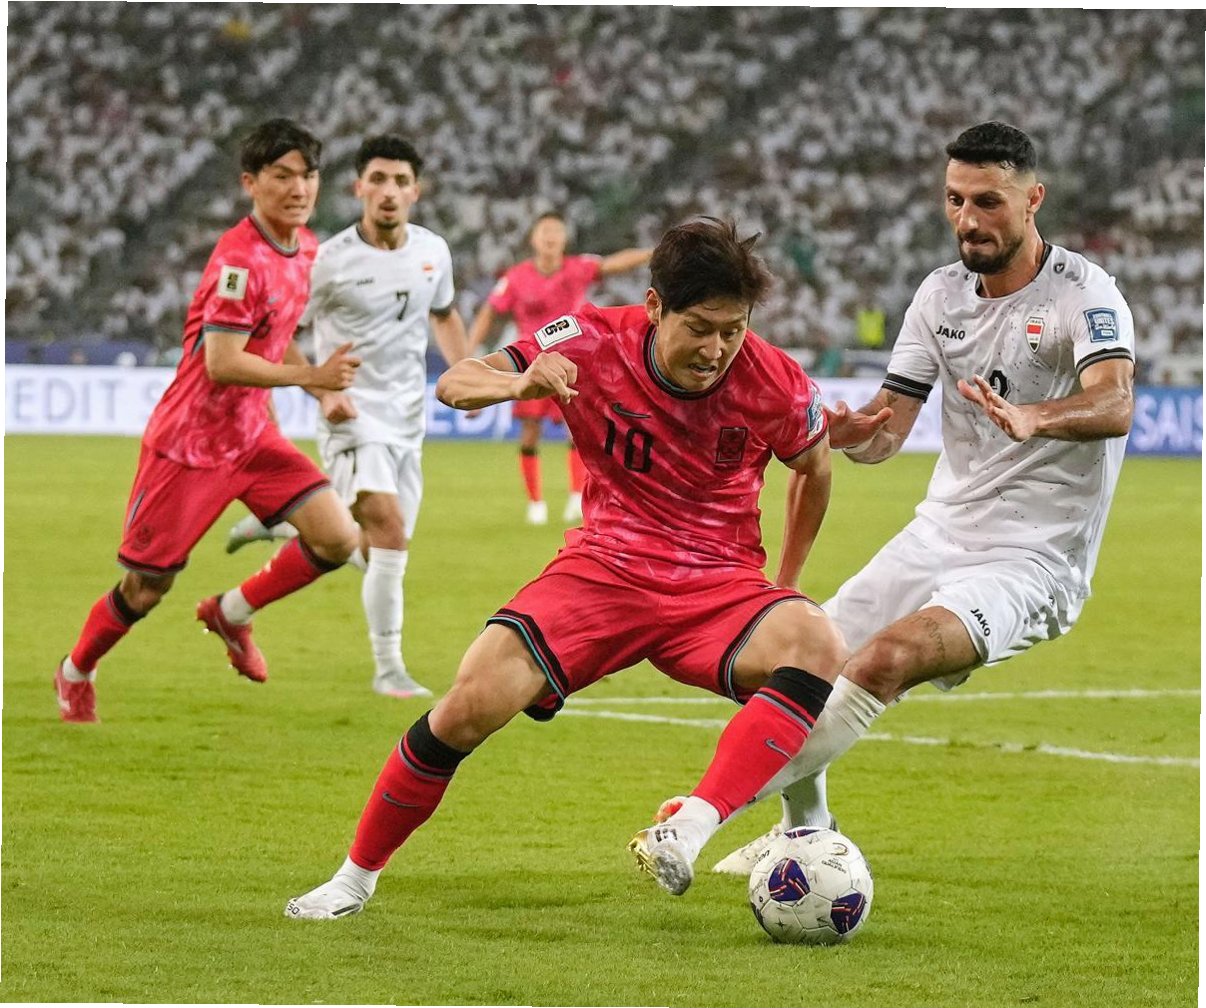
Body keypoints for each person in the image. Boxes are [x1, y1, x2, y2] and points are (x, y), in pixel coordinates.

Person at [283, 217, 890, 920]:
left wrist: (785, 584)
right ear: (655, 306)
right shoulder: (589, 338)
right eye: (700, 328)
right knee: (470, 702)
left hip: (719, 581)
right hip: (605, 568)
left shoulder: (773, 377)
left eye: (734, 329)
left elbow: (814, 467)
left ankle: (693, 826)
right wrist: (521, 383)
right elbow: (455, 381)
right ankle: (353, 879)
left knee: (815, 643)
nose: (717, 349)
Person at [708, 120, 1136, 874]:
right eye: (955, 199)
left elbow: (1116, 402)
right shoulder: (938, 296)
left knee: (888, 658)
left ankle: (702, 814)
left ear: (1033, 199)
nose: (968, 219)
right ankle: (804, 832)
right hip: (940, 531)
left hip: (1033, 559)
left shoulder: (1085, 293)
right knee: (795, 662)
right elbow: (887, 432)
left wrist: (1035, 417)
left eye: (988, 201)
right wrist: (849, 434)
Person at [53, 118, 363, 723]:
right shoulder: (238, 261)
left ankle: (230, 612)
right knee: (146, 588)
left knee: (337, 538)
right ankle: (76, 670)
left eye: (308, 175)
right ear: (251, 182)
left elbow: (274, 334)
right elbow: (223, 363)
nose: (299, 188)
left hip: (251, 437)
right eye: (282, 175)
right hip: (190, 446)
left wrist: (320, 391)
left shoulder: (305, 248)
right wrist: (313, 377)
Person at [224, 134, 471, 700]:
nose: (389, 192)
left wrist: (469, 374)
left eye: (401, 181)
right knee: (388, 530)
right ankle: (389, 669)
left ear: (416, 191)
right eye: (377, 179)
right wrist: (319, 389)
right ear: (358, 187)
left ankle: (283, 529)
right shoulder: (328, 260)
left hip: (407, 418)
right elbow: (276, 332)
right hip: (350, 412)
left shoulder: (433, 251)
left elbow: (444, 314)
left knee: (374, 547)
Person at [467, 211, 651, 525]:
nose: (550, 237)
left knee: (579, 431)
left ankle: (576, 496)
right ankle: (535, 502)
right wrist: (470, 350)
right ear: (533, 239)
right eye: (545, 231)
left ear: (565, 238)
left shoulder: (578, 268)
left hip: (574, 361)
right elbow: (489, 312)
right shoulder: (516, 277)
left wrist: (651, 253)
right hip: (531, 363)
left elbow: (613, 264)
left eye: (556, 231)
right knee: (529, 435)